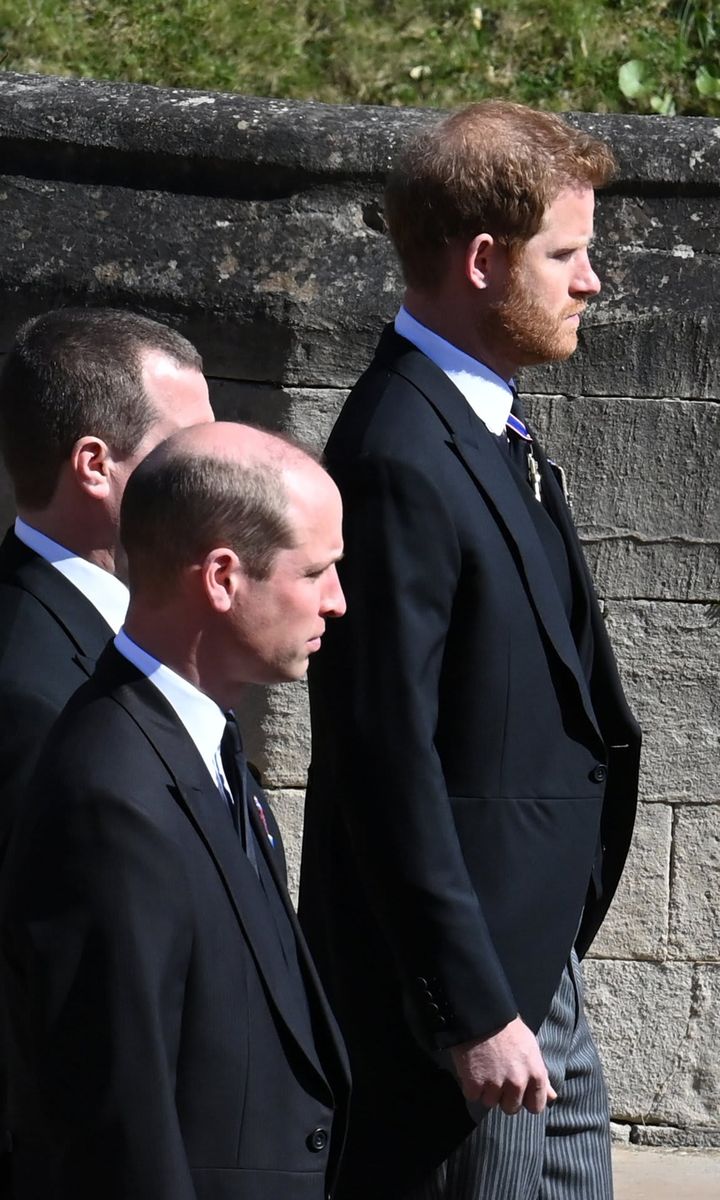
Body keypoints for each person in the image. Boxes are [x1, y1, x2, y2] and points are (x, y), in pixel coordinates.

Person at [300, 101, 641, 1200]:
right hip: (470, 1001)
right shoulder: (400, 450)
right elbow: (382, 756)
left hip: (531, 954)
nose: (592, 281)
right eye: (568, 254)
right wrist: (470, 1005)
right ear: (484, 261)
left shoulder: (485, 423)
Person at [0, 422, 350, 1200]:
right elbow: (115, 1127)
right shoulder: (110, 797)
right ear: (222, 577)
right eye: (317, 571)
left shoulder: (206, 747)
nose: (337, 601)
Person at [0, 307, 213, 861]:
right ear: (95, 467)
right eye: (187, 452)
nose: (218, 477)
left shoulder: (135, 623)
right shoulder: (31, 693)